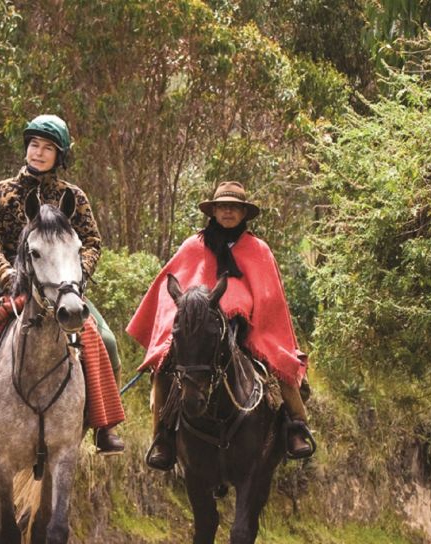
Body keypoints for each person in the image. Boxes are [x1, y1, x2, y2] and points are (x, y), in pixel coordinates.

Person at [0, 114, 124, 453]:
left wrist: (75, 277)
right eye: (34, 145)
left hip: (63, 290)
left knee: (108, 342)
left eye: (47, 148)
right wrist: (7, 274)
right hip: (11, 289)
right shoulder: (1, 192)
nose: (38, 153)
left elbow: (93, 242)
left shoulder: (74, 197)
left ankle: (103, 425)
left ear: (60, 155)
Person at [127, 181, 315, 470]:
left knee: (279, 360)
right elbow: (173, 289)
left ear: (244, 213)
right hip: (198, 332)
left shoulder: (258, 249)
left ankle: (297, 426)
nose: (228, 211)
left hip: (247, 329)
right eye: (222, 206)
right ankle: (162, 437)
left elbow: (269, 296)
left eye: (234, 206)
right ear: (213, 211)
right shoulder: (193, 246)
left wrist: (243, 310)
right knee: (164, 368)